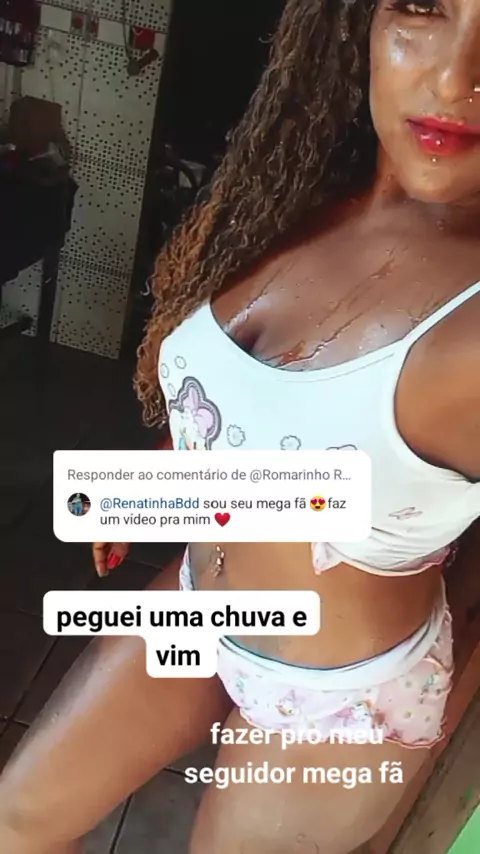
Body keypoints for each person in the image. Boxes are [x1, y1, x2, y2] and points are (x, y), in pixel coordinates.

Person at [1, 1, 480, 851]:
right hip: (198, 600)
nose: (453, 78)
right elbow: (256, 408)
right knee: (16, 820)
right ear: (358, 23)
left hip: (338, 702)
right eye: (421, 7)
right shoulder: (294, 191)